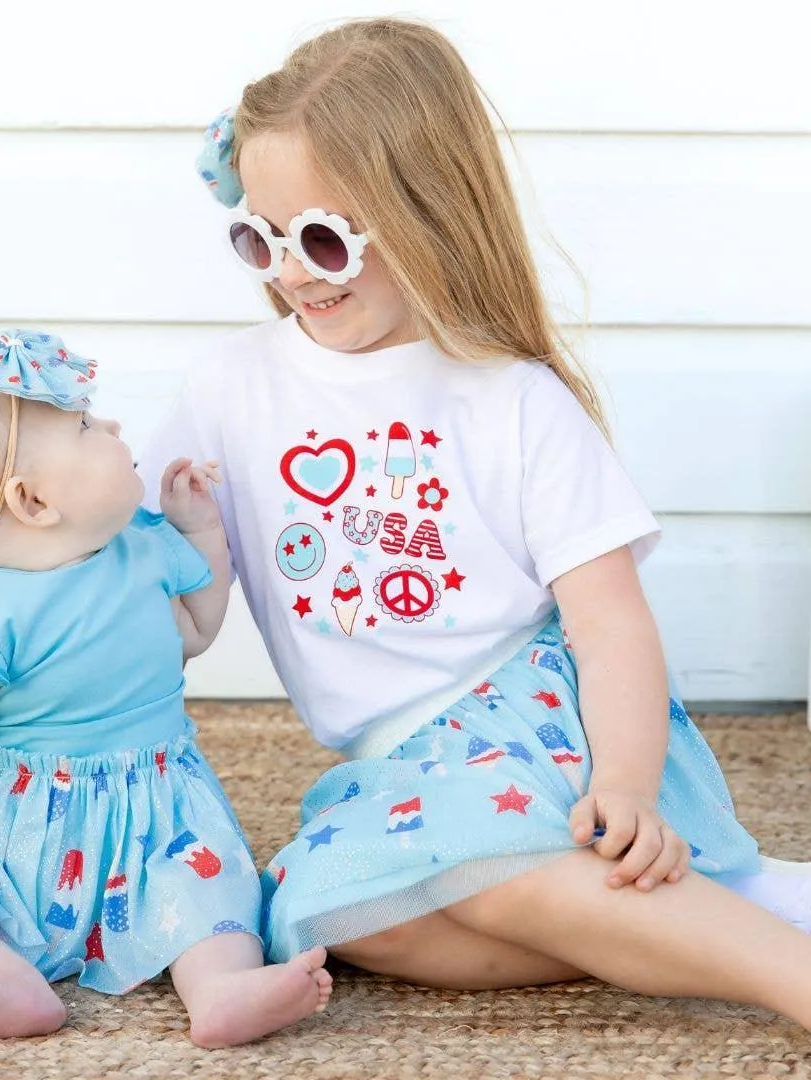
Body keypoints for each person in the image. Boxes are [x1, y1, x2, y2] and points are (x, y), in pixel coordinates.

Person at [138, 18, 811, 1028]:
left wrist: (625, 782)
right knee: (330, 911)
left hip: (539, 719)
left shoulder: (506, 395)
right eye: (261, 238)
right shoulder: (229, 386)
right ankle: (696, 920)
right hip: (400, 767)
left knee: (484, 874)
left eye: (323, 238)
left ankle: (782, 974)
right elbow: (157, 575)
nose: (293, 272)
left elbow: (611, 622)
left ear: (429, 216)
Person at [0, 330, 332, 1045]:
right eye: (82, 426)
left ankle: (222, 985)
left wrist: (201, 532)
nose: (109, 426)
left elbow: (195, 631)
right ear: (33, 501)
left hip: (156, 822)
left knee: (212, 887)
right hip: (9, 838)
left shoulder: (140, 551)